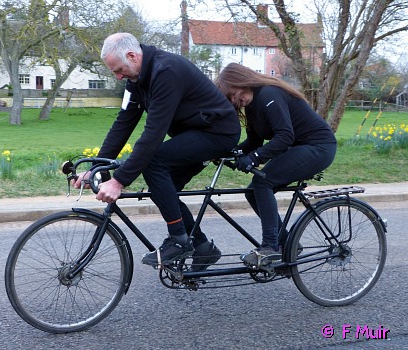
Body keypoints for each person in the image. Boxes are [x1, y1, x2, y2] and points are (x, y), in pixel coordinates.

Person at [75, 33, 241, 270]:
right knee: (163, 190)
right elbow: (123, 123)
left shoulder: (166, 72)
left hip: (217, 133)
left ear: (132, 56)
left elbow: (153, 134)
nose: (119, 76)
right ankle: (202, 247)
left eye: (119, 70)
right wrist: (96, 169)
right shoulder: (135, 81)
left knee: (153, 163)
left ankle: (179, 240)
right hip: (191, 134)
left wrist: (119, 181)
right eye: (115, 72)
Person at [215, 63, 337, 267]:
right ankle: (288, 244)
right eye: (232, 99)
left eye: (235, 95)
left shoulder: (269, 94)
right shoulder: (253, 106)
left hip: (318, 147)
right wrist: (229, 153)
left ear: (242, 82)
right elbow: (254, 142)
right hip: (299, 148)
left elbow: (285, 136)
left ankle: (271, 247)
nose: (237, 101)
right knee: (253, 191)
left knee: (263, 183)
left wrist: (254, 159)